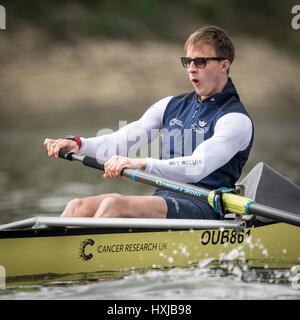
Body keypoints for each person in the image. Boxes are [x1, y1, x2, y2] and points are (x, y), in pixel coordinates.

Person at [44, 25, 254, 220]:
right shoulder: (171, 105)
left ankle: (83, 254)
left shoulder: (235, 119)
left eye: (200, 62)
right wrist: (80, 145)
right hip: (164, 199)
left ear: (223, 65)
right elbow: (122, 140)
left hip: (204, 205)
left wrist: (141, 163)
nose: (191, 68)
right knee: (77, 207)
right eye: (187, 61)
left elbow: (198, 166)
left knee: (114, 205)